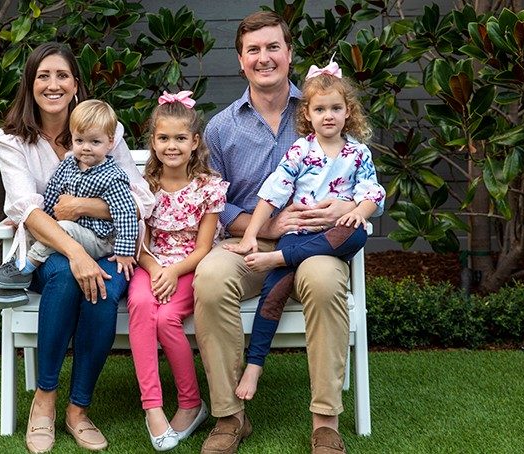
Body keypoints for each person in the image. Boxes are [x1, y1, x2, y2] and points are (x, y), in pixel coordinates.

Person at [193, 11, 364, 454]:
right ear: (240, 60)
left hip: (315, 242)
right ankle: (230, 417)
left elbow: (360, 177)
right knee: (211, 279)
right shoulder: (221, 127)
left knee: (326, 283)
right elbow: (215, 200)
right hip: (249, 240)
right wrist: (262, 225)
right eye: (254, 50)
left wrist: (347, 207)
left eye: (273, 47)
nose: (264, 58)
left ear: (289, 54)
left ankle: (325, 421)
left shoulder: (321, 108)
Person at [0, 42, 154, 453]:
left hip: (111, 245)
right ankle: (45, 400)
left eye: (62, 75)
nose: (53, 84)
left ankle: (79, 409)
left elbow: (141, 198)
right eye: (44, 76)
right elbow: (27, 210)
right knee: (66, 280)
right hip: (50, 250)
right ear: (30, 83)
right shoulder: (11, 140)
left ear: (76, 83)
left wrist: (82, 206)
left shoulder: (106, 131)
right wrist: (76, 253)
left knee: (105, 291)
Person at [224, 59, 385, 402]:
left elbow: (373, 194)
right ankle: (254, 365)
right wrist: (252, 234)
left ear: (348, 113)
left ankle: (279, 259)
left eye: (336, 108)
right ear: (307, 114)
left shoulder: (358, 154)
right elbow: (273, 191)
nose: (328, 115)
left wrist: (358, 210)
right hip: (298, 235)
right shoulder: (301, 149)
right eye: (320, 109)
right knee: (273, 294)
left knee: (357, 231)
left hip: (335, 235)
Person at [127, 91, 227, 451]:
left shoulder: (208, 188)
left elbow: (203, 248)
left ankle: (190, 403)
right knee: (139, 305)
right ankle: (152, 407)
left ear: (195, 142)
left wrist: (173, 273)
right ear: (153, 141)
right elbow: (138, 240)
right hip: (150, 263)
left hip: (190, 266)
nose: (172, 146)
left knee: (167, 318)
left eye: (180, 138)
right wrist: (155, 269)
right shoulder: (143, 186)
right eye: (164, 138)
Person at [0, 99, 139, 305]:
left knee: (61, 227)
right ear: (72, 139)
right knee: (34, 225)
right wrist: (33, 219)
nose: (86, 148)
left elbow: (126, 213)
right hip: (75, 234)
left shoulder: (112, 175)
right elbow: (52, 194)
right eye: (80, 141)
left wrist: (124, 252)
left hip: (100, 239)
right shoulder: (69, 166)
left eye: (95, 142)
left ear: (110, 142)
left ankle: (24, 268)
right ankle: (9, 288)